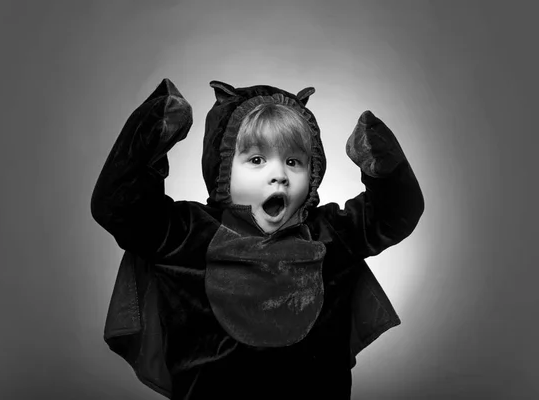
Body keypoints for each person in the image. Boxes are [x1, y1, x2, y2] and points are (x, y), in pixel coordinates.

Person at [91, 78, 424, 399]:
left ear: (313, 172)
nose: (278, 175)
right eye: (256, 160)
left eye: (293, 161)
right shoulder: (187, 235)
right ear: (223, 167)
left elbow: (395, 214)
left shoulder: (330, 236)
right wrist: (151, 133)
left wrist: (383, 165)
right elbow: (120, 207)